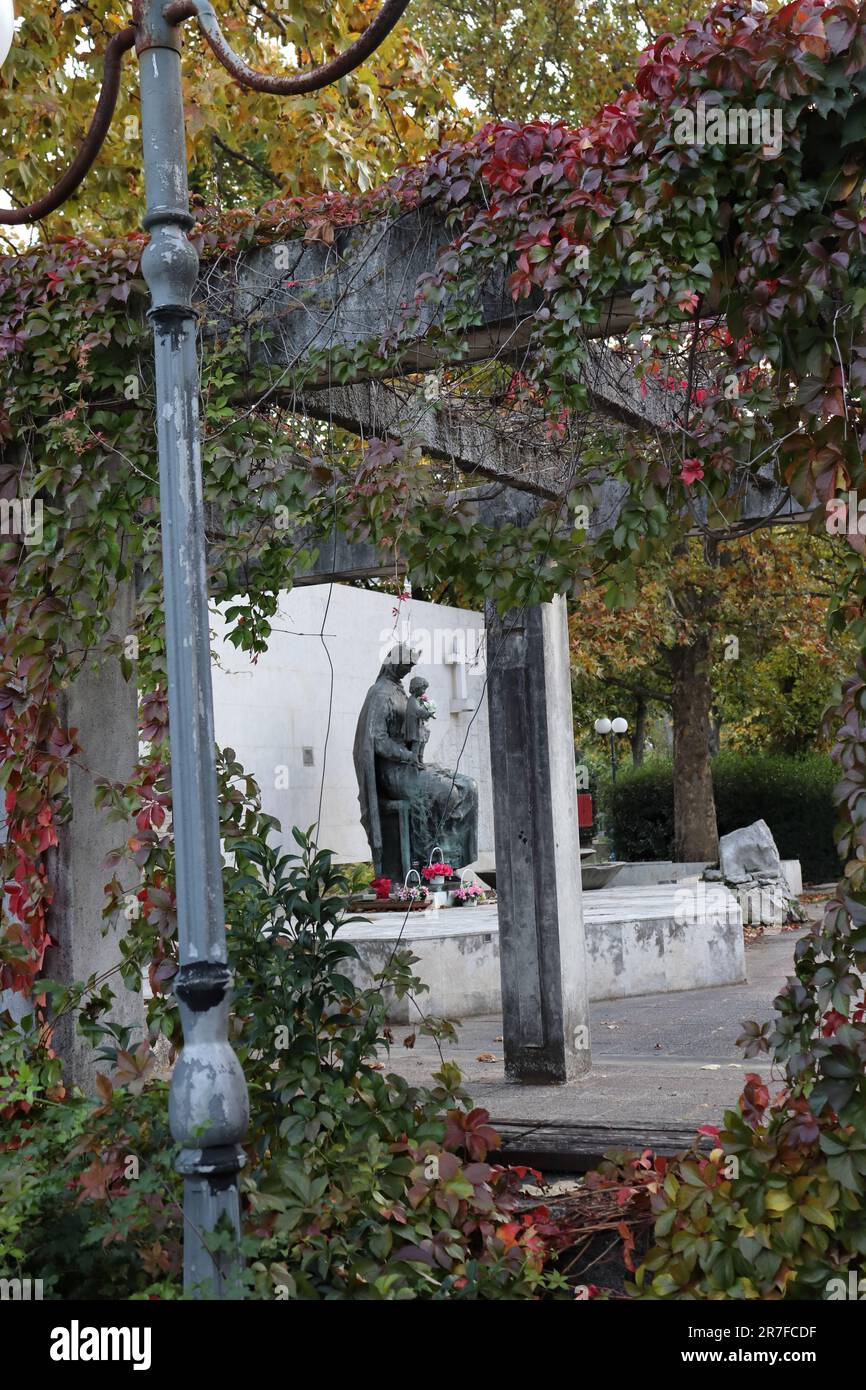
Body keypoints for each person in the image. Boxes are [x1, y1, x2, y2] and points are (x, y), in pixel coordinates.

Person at [353, 644, 477, 879]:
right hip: (392, 773)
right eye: (407, 666)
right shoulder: (380, 693)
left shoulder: (400, 692)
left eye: (411, 667)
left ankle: (448, 862)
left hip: (409, 765)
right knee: (448, 793)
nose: (409, 672)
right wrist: (406, 754)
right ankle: (431, 862)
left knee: (468, 786)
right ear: (395, 663)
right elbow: (377, 739)